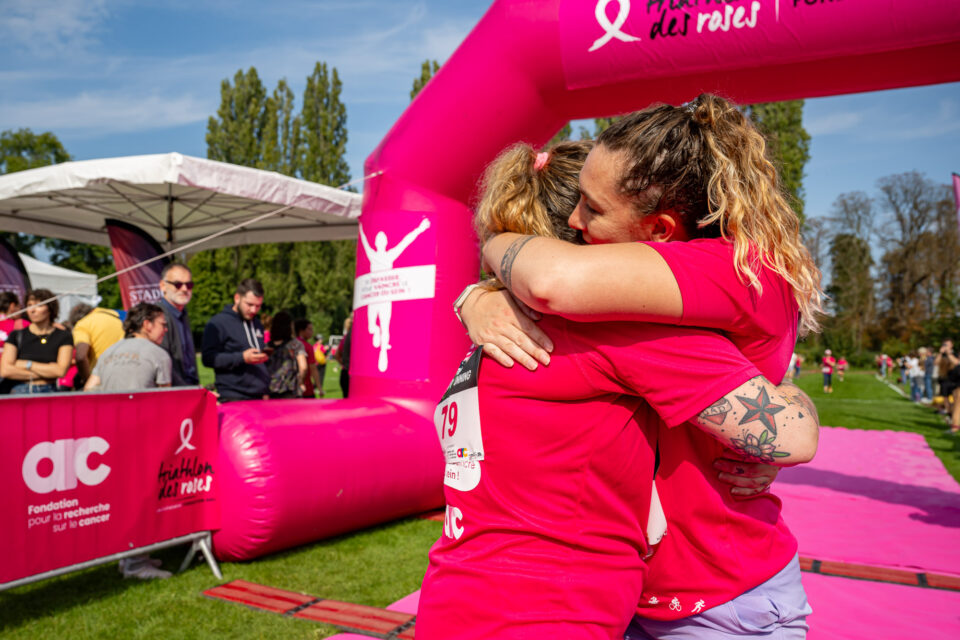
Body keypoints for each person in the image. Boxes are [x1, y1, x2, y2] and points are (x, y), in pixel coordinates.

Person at [417, 141, 819, 640]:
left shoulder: (497, 334)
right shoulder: (615, 330)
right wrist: (795, 399)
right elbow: (793, 437)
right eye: (587, 206)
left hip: (459, 595)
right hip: (565, 609)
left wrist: (476, 286)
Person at [84, 302, 173, 579]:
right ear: (147, 324)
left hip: (107, 435)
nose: (165, 330)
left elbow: (89, 389)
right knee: (140, 498)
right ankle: (135, 564)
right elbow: (167, 401)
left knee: (121, 498)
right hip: (141, 435)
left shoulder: (109, 352)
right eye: (162, 324)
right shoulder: (159, 355)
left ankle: (130, 557)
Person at [201, 278, 269, 402]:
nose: (254, 310)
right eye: (249, 305)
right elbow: (208, 358)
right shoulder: (218, 323)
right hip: (233, 396)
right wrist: (242, 357)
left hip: (258, 396)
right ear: (237, 298)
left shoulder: (257, 324)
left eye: (258, 306)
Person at [0, 289, 73, 394]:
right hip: (19, 390)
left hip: (49, 391)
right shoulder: (16, 335)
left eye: (39, 305)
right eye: (29, 305)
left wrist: (26, 364)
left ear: (50, 308)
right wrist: (48, 370)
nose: (32, 310)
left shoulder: (63, 336)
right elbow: (5, 370)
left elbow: (61, 371)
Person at [157, 262, 199, 387]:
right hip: (174, 393)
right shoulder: (157, 316)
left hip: (190, 388)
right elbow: (162, 364)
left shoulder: (183, 315)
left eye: (189, 285)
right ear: (163, 286)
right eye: (178, 284)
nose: (184, 289)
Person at [68, 303, 124, 389]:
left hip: (100, 380)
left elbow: (81, 357)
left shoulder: (82, 324)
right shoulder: (117, 320)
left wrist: (87, 380)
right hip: (122, 375)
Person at [265, 311, 308, 399]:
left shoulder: (267, 347)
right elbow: (303, 367)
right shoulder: (295, 344)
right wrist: (300, 381)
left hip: (270, 390)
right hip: (290, 390)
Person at [294, 318, 322, 397]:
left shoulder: (290, 343)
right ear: (301, 330)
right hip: (305, 387)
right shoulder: (306, 346)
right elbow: (313, 368)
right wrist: (320, 388)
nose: (312, 332)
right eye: (309, 329)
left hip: (290, 388)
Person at [336, 312, 353, 398]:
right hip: (351, 375)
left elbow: (337, 355)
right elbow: (337, 355)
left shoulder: (346, 337)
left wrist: (344, 364)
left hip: (345, 373)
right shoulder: (354, 335)